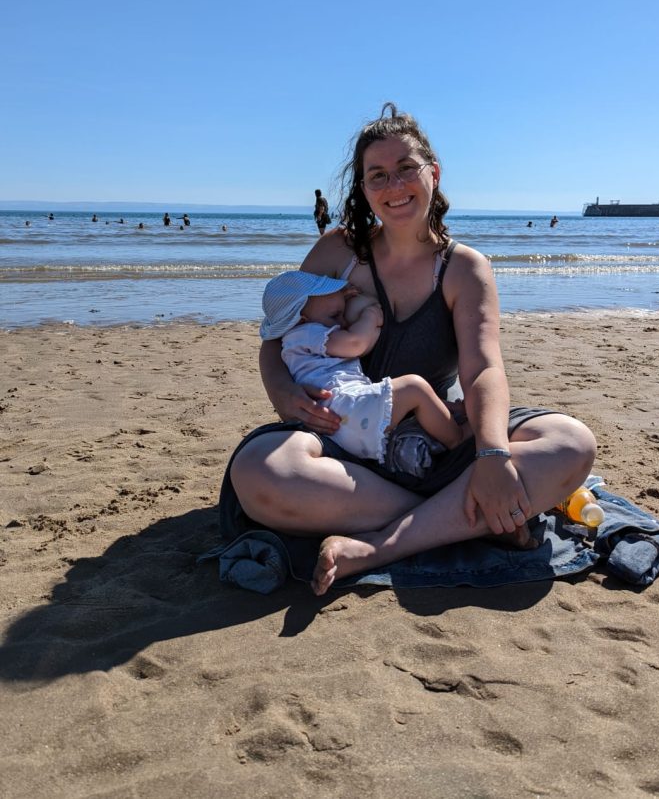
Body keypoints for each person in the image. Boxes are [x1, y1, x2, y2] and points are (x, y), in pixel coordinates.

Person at [226, 102, 596, 595]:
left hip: (434, 441)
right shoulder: (337, 253)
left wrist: (489, 456)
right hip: (344, 442)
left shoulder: (464, 268)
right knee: (259, 472)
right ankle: (476, 516)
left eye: (406, 170)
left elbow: (483, 369)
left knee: (572, 443)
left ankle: (382, 545)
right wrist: (280, 390)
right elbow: (277, 332)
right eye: (377, 175)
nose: (393, 187)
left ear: (434, 174)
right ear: (363, 187)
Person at [260, 269, 468, 467]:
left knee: (410, 400)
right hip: (344, 411)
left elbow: (321, 308)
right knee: (414, 388)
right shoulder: (304, 333)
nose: (342, 322)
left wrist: (337, 296)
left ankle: (450, 411)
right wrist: (370, 317)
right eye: (335, 315)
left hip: (342, 418)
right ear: (301, 319)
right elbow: (356, 344)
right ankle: (457, 441)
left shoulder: (302, 333)